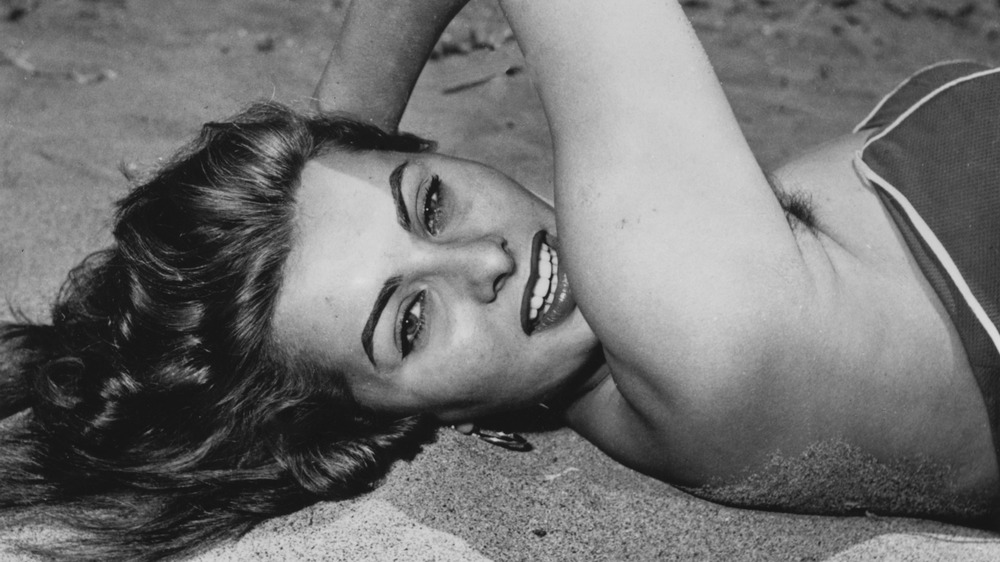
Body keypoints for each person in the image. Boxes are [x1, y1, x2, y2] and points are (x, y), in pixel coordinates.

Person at [0, 0, 997, 558]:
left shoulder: (656, 375)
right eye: (412, 320)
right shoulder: (671, 294)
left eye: (428, 201)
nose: (488, 262)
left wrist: (332, 141)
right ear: (376, 421)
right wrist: (348, 127)